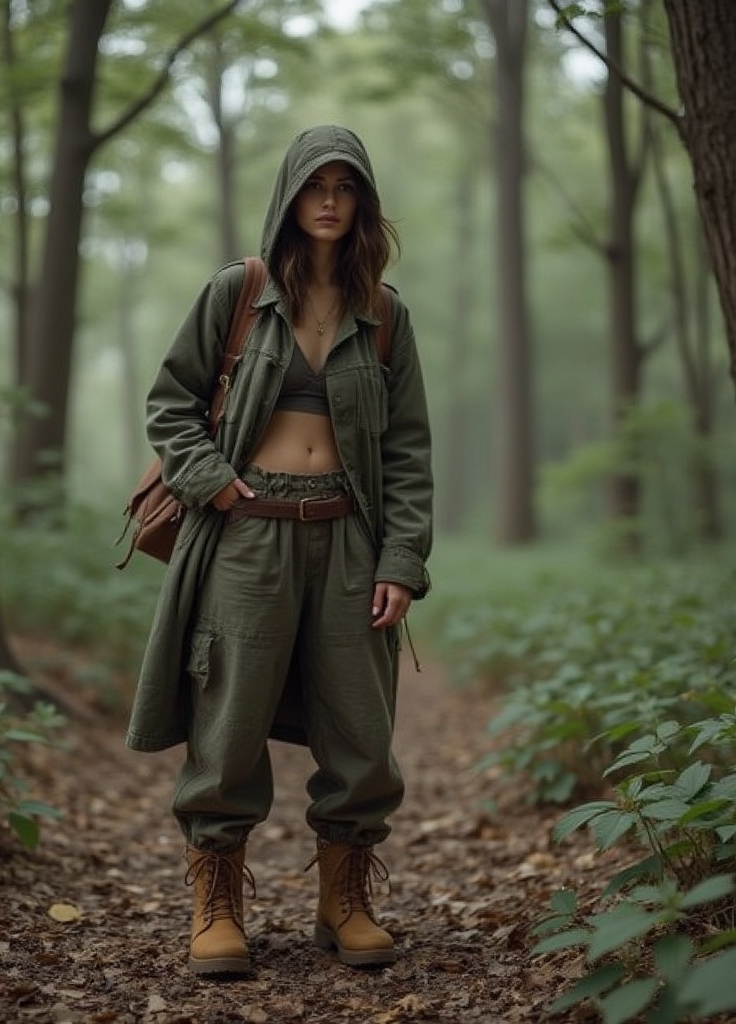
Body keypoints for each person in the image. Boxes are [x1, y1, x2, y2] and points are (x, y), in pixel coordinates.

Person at [126, 124, 433, 975]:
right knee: (228, 724)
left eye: (346, 187)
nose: (330, 201)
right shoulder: (239, 292)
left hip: (348, 538)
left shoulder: (385, 315)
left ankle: (345, 900)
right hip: (245, 534)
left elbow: (409, 450)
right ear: (291, 197)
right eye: (315, 185)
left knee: (360, 731)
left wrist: (402, 562)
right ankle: (216, 901)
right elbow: (170, 403)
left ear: (363, 202)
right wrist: (214, 482)